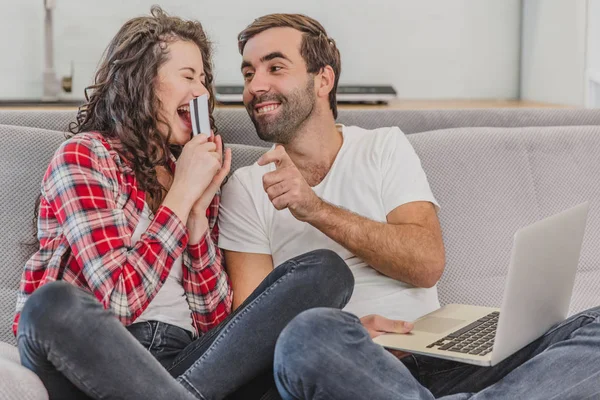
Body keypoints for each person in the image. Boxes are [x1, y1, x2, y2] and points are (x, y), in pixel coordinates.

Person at [218, 13, 600, 399]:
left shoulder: (383, 147)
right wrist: (350, 334)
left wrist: (314, 208)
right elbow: (253, 333)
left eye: (275, 67)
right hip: (352, 365)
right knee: (308, 337)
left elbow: (425, 264)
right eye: (249, 73)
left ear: (323, 79)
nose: (255, 86)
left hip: (443, 360)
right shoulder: (247, 187)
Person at [14, 7, 353, 400]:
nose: (202, 93)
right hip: (100, 361)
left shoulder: (191, 173)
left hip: (189, 365)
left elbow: (216, 327)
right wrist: (179, 197)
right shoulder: (86, 157)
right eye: (188, 76)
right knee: (50, 306)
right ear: (141, 81)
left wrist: (196, 217)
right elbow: (119, 301)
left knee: (326, 273)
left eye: (205, 80)